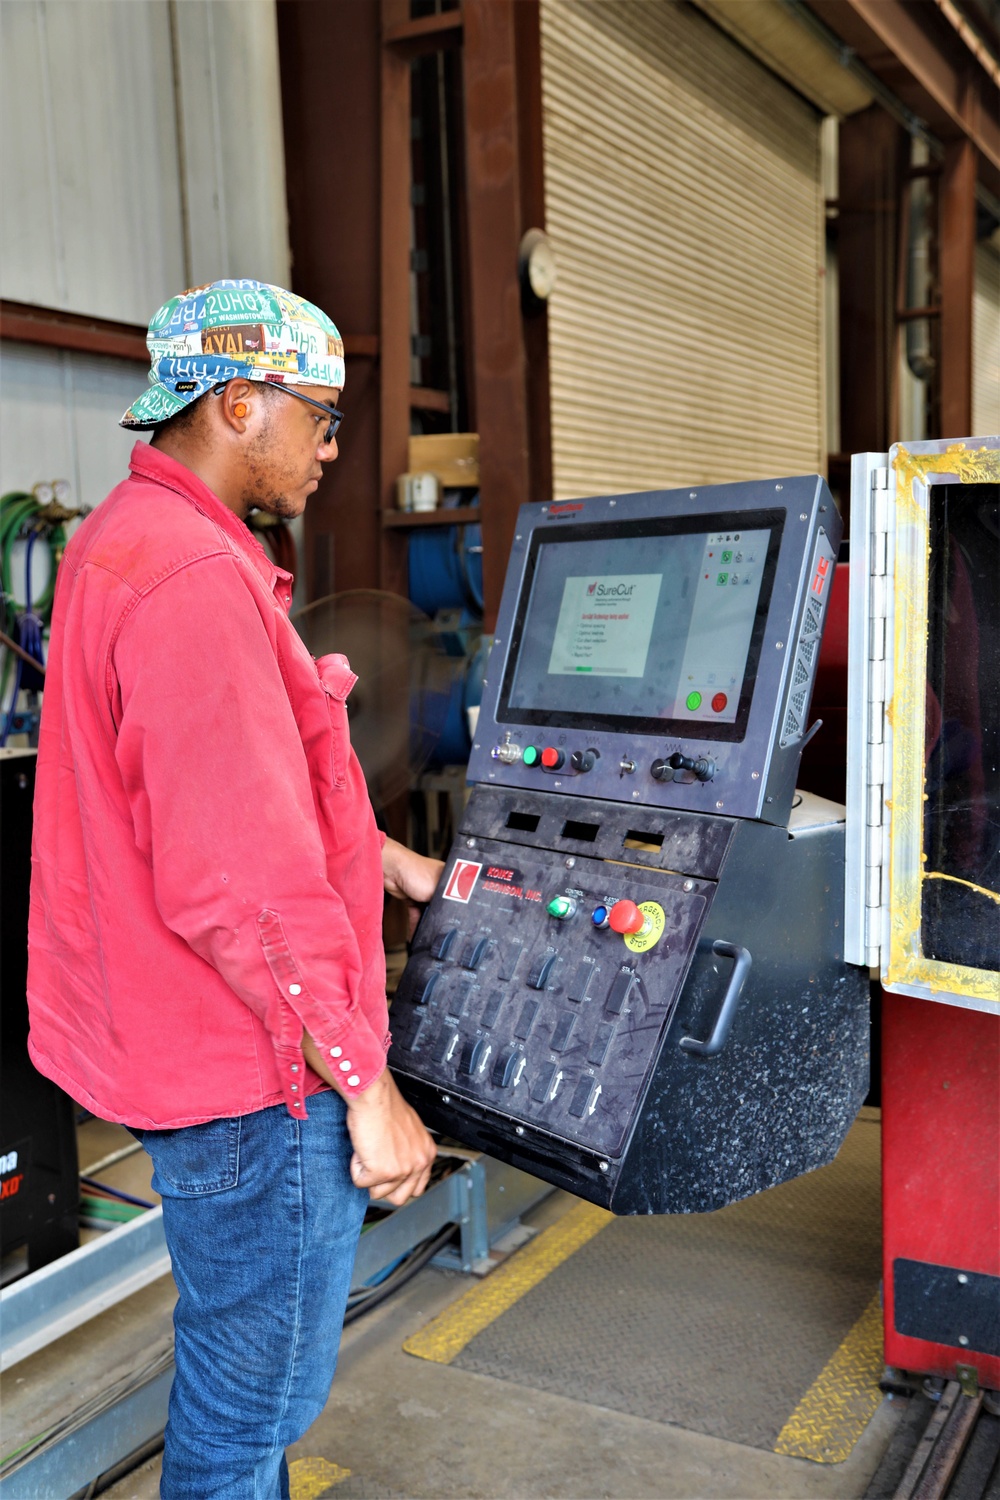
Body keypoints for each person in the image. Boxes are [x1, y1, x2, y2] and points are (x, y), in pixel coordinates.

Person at [26, 279, 440, 1498]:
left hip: (186, 1050)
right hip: (253, 1080)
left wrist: (384, 855)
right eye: (319, 416)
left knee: (240, 1378)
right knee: (247, 1411)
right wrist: (365, 1087)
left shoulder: (130, 543)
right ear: (242, 403)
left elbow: (242, 781)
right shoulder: (192, 582)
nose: (328, 447)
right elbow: (239, 882)